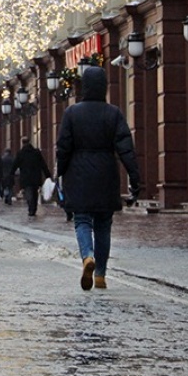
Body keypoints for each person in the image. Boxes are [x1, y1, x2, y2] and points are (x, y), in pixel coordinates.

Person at [56, 65, 142, 291]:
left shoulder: (71, 113)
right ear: (104, 86)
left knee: (82, 220)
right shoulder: (113, 113)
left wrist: (60, 173)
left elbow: (63, 147)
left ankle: (87, 257)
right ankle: (101, 275)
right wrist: (134, 176)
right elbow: (125, 148)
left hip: (79, 173)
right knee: (104, 225)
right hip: (106, 173)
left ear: (84, 87)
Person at [11, 136, 51, 217]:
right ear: (29, 142)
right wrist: (47, 174)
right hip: (36, 177)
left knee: (28, 193)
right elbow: (43, 164)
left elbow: (15, 165)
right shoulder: (36, 152)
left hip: (26, 177)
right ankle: (34, 208)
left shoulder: (20, 153)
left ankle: (31, 208)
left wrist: (11, 173)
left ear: (22, 143)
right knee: (35, 193)